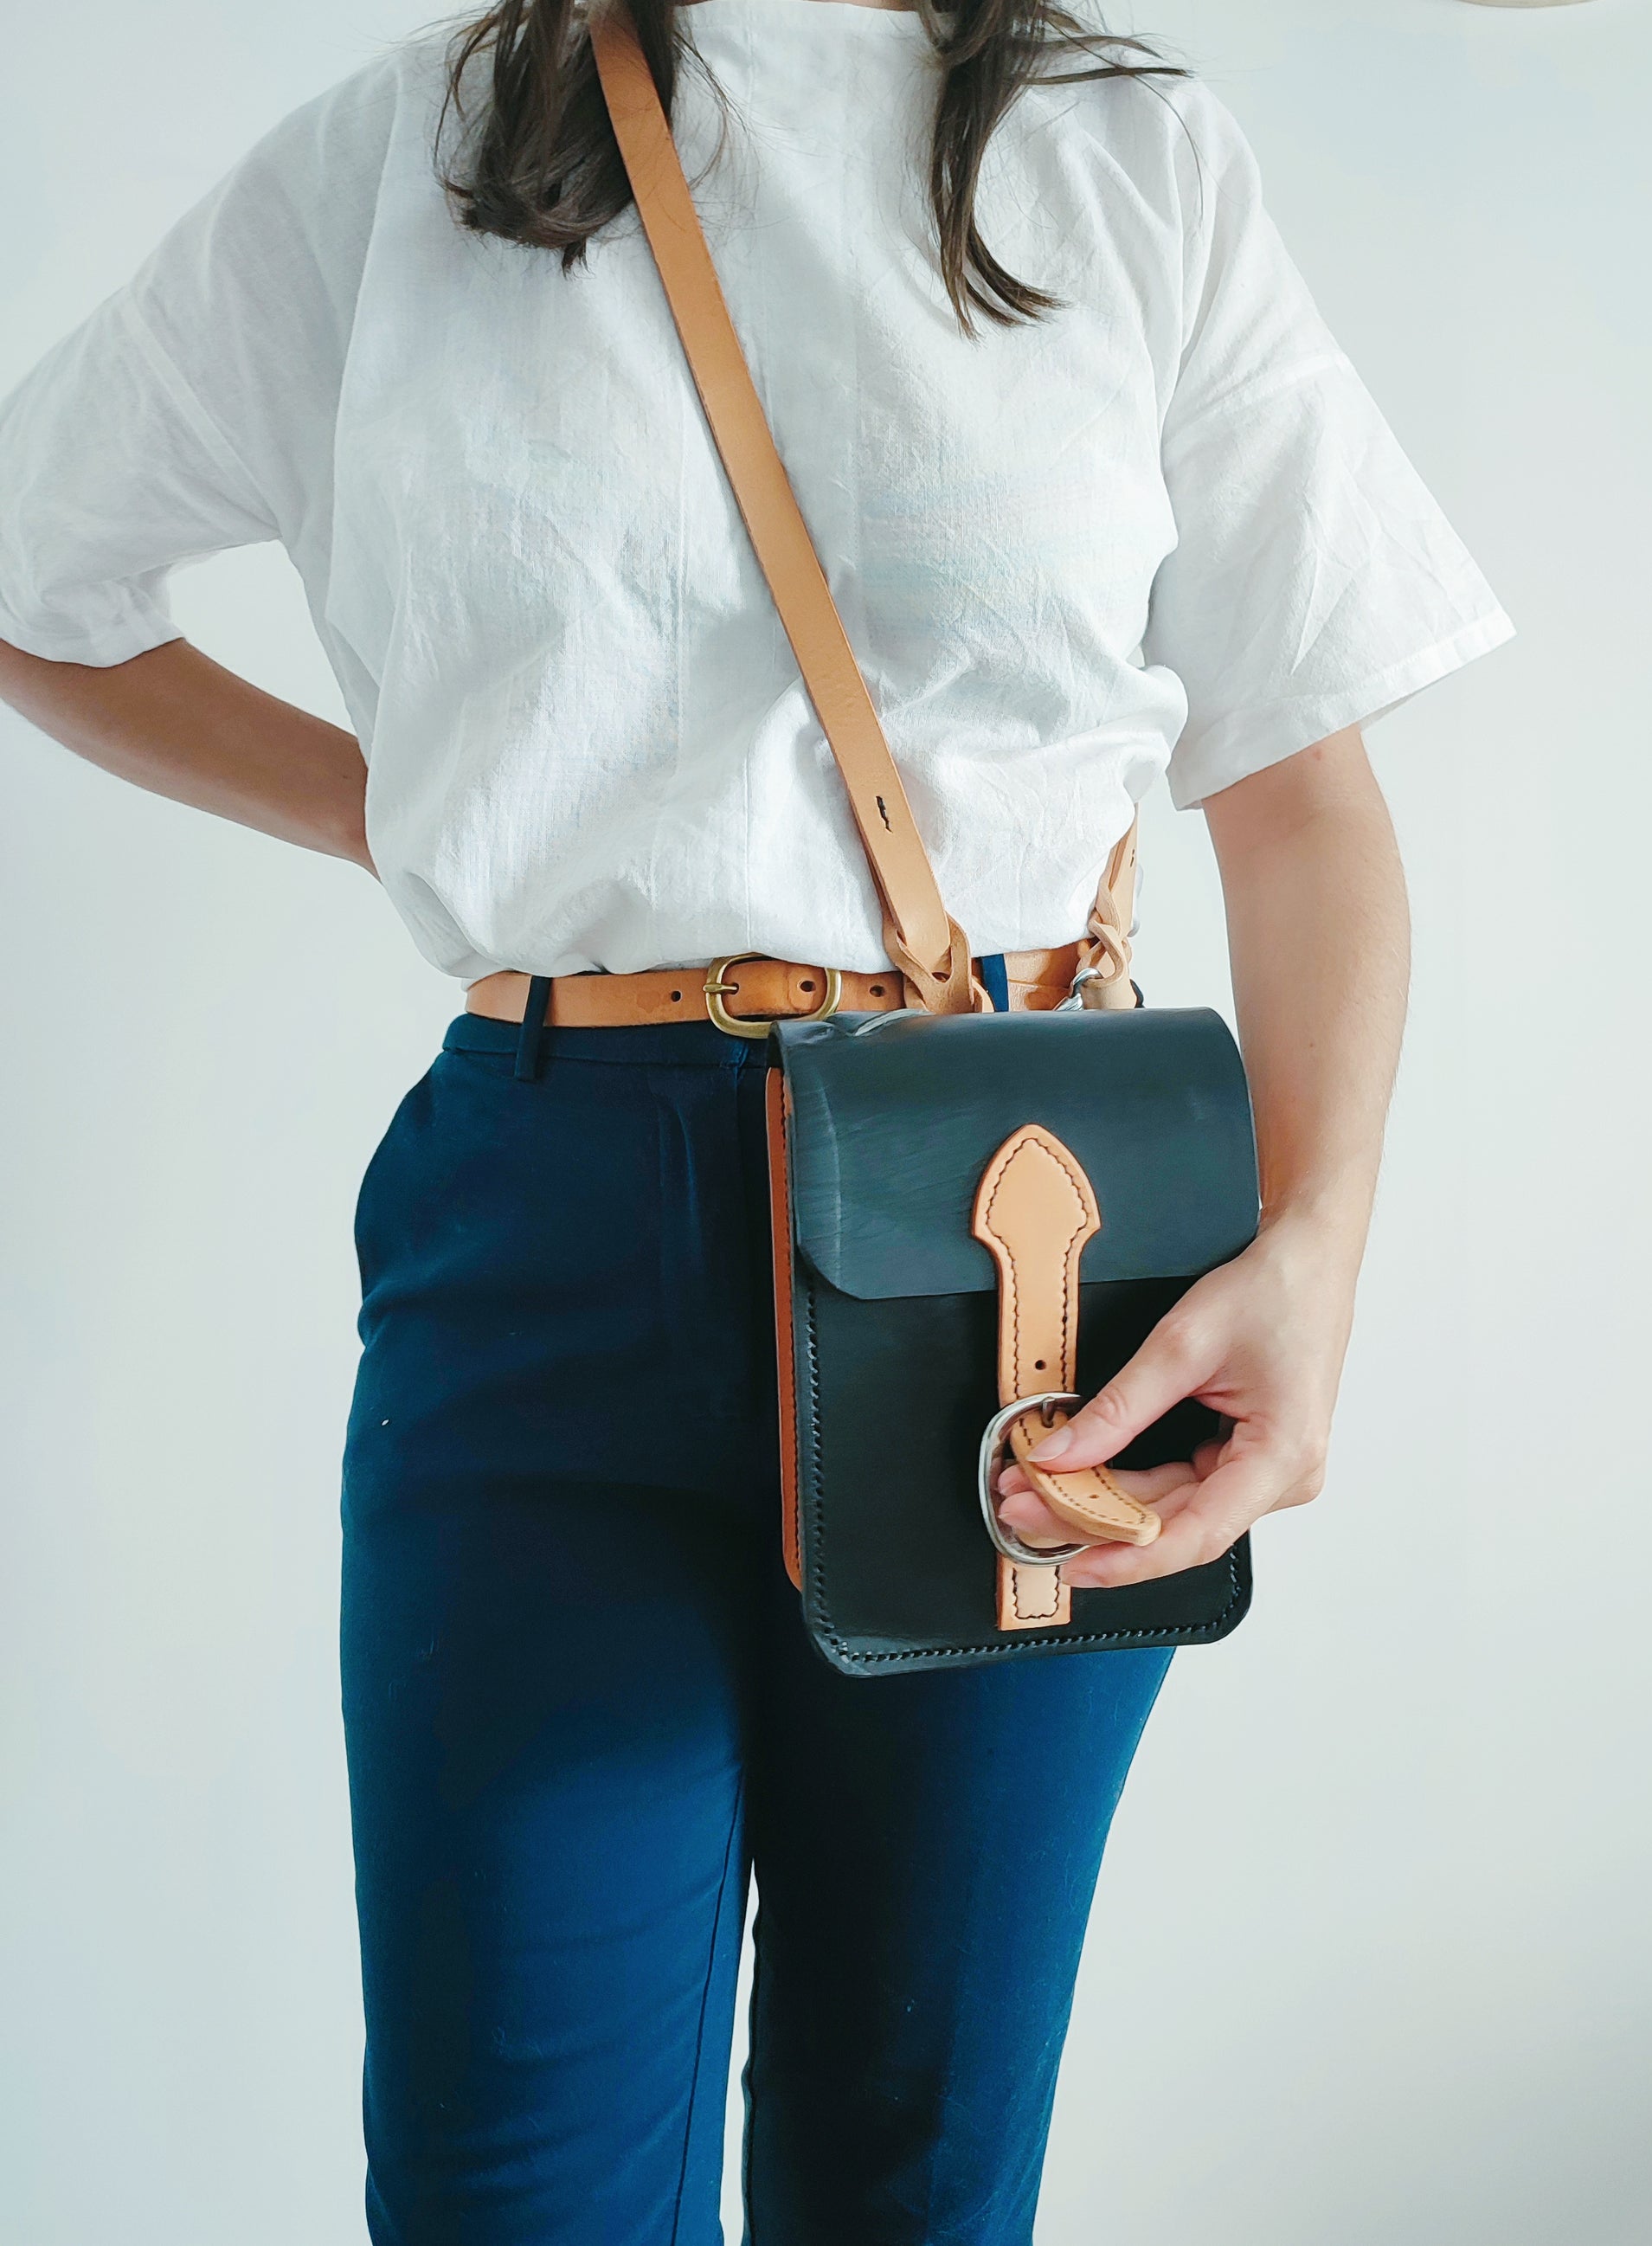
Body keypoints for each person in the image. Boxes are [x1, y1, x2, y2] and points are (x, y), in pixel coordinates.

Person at [0, 2, 1513, 2239]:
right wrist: (419, 824)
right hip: (546, 1226)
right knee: (508, 2198)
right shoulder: (386, 160)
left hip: (1017, 1273)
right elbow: (38, 576)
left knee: (914, 2171)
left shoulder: (1118, 152)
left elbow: (1301, 796)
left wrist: (1318, 1247)